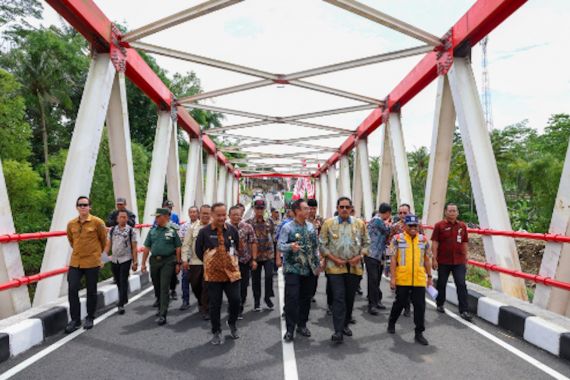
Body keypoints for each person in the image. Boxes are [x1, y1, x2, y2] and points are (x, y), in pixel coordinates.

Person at [319, 197, 370, 344]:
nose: (344, 210)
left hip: (354, 267)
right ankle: (338, 331)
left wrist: (360, 256)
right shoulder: (328, 224)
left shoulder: (360, 224)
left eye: (347, 207)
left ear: (351, 208)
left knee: (349, 298)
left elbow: (367, 243)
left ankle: (345, 323)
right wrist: (334, 259)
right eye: (341, 207)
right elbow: (322, 244)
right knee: (338, 298)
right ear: (337, 207)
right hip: (335, 267)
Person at [195, 203, 241, 345]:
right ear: (212, 215)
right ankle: (216, 331)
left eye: (223, 214)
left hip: (231, 273)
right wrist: (211, 261)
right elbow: (198, 251)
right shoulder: (205, 232)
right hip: (213, 275)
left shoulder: (232, 230)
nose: (221, 218)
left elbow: (236, 247)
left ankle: (232, 322)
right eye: (218, 215)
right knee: (215, 304)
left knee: (235, 300)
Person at [278, 199, 320, 342]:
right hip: (292, 268)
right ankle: (290, 329)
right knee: (292, 298)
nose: (309, 211)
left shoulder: (311, 227)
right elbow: (280, 246)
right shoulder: (287, 227)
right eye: (305, 209)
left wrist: (318, 264)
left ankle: (302, 324)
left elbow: (315, 247)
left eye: (308, 209)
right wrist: (291, 247)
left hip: (308, 269)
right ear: (297, 211)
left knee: (306, 298)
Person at [387, 214, 432, 346]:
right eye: (410, 225)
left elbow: (427, 259)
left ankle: (419, 332)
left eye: (415, 226)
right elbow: (393, 260)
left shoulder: (423, 240)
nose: (413, 228)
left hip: (418, 279)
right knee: (399, 303)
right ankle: (391, 322)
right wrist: (393, 278)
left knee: (420, 307)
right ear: (405, 226)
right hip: (403, 278)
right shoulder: (396, 239)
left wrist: (429, 277)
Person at [64, 196, 108, 333]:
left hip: (92, 262)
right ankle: (75, 320)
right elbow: (71, 241)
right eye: (80, 205)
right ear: (77, 207)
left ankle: (90, 317)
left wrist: (98, 256)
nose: (83, 207)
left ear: (90, 207)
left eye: (85, 205)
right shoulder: (71, 224)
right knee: (72, 289)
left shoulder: (97, 222)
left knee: (91, 290)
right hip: (76, 262)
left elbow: (103, 240)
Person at [432, 203, 472, 321]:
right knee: (441, 283)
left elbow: (464, 242)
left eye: (454, 211)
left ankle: (464, 310)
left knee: (461, 284)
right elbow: (435, 243)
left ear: (457, 213)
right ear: (445, 212)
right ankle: (440, 303)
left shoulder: (462, 226)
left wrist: (466, 258)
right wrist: (434, 259)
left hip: (459, 261)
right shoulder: (439, 226)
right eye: (450, 211)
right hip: (444, 260)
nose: (452, 213)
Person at [142, 208, 182, 325]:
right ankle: (160, 303)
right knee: (157, 285)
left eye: (158, 216)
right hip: (154, 261)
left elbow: (178, 247)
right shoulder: (152, 231)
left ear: (165, 217)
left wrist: (178, 262)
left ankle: (163, 314)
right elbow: (146, 248)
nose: (156, 218)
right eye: (156, 217)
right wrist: (143, 263)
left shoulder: (172, 231)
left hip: (168, 261)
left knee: (164, 286)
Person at [388, 203, 422, 317]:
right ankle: (403, 306)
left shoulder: (417, 225)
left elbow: (422, 240)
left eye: (405, 213)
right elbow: (389, 241)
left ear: (409, 212)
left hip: (413, 261)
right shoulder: (395, 226)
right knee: (401, 291)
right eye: (400, 213)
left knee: (413, 289)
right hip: (399, 262)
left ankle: (408, 307)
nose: (402, 215)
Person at [103, 210, 138, 315]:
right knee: (118, 281)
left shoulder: (131, 231)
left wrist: (135, 262)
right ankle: (124, 297)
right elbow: (108, 245)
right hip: (114, 259)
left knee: (123, 280)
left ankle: (121, 304)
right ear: (117, 219)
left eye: (124, 217)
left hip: (126, 259)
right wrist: (103, 259)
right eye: (121, 217)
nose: (122, 219)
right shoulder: (112, 230)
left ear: (127, 219)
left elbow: (134, 247)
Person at [180, 205, 211, 316]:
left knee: (206, 286)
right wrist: (184, 260)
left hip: (211, 263)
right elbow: (186, 245)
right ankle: (201, 302)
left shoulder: (215, 227)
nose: (205, 215)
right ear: (199, 214)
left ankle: (206, 308)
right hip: (195, 262)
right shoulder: (192, 228)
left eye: (208, 213)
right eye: (203, 213)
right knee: (195, 285)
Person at [229, 205, 258, 320]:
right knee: (231, 286)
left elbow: (253, 242)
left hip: (244, 261)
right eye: (234, 214)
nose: (237, 217)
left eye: (238, 214)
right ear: (229, 216)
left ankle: (240, 307)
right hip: (229, 262)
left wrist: (254, 259)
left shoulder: (247, 227)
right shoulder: (225, 227)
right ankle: (234, 306)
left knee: (243, 286)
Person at [247, 199, 276, 311]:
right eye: (257, 208)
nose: (259, 210)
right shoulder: (249, 223)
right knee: (256, 280)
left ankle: (267, 297)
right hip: (255, 256)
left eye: (261, 208)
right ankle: (257, 301)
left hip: (268, 254)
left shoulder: (270, 221)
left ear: (264, 209)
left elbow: (273, 237)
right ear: (254, 209)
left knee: (269, 276)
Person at [366, 202, 392, 315]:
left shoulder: (377, 220)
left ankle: (376, 301)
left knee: (376, 280)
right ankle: (372, 305)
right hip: (372, 255)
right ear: (387, 213)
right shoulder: (377, 220)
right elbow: (388, 231)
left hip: (378, 255)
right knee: (373, 280)